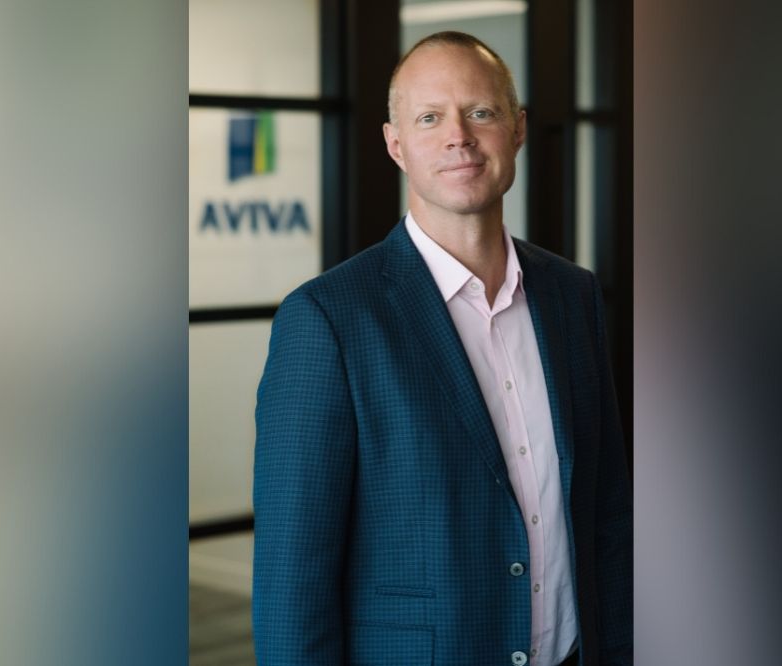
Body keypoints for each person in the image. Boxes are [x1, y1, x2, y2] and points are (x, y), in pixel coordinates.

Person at [253, 31, 632, 666]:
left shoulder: (573, 296)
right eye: (430, 118)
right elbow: (293, 578)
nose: (459, 136)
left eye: (480, 112)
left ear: (517, 129)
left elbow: (608, 514)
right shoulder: (328, 320)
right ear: (395, 144)